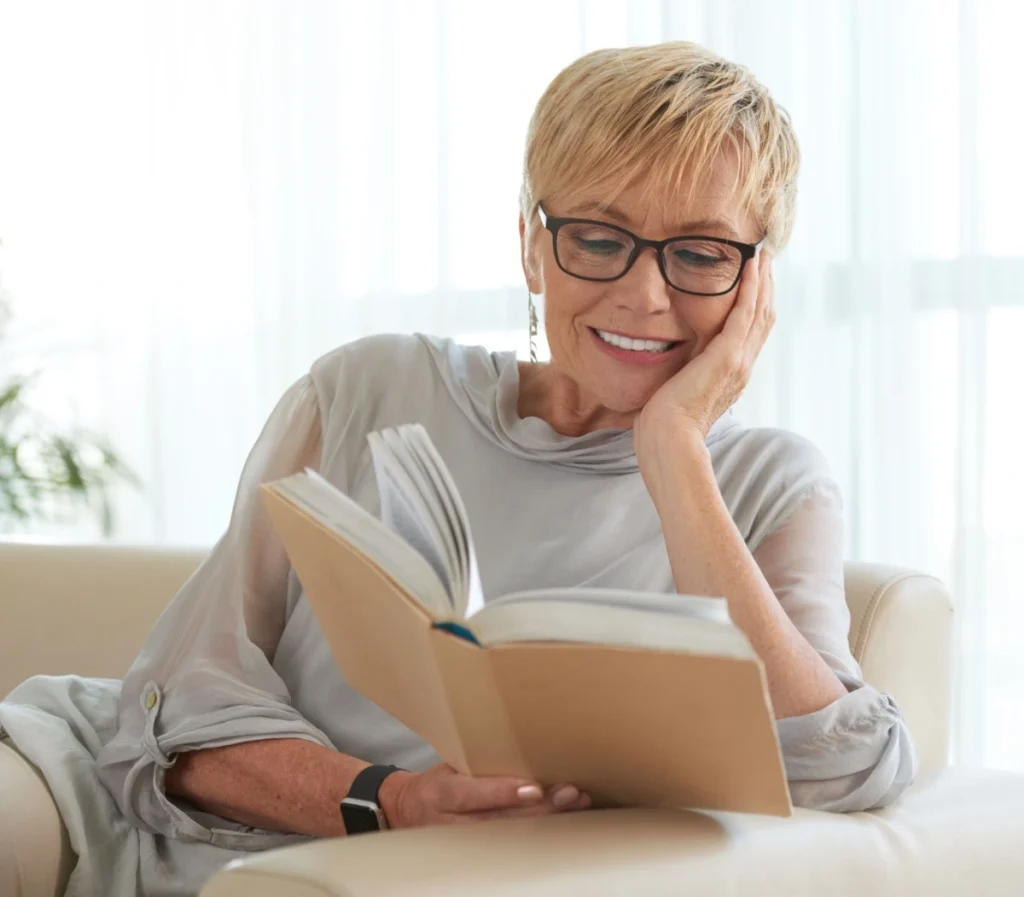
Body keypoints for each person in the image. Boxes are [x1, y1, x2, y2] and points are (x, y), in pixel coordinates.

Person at [0, 40, 916, 897]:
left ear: (757, 282)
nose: (645, 293)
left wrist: (674, 450)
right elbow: (179, 703)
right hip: (214, 837)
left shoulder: (770, 483)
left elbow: (842, 765)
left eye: (701, 254)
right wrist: (391, 799)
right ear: (530, 243)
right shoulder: (369, 387)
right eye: (599, 238)